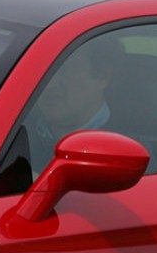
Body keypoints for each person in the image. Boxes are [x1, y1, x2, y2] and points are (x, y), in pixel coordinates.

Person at [24, 37, 115, 168]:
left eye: (64, 71)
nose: (49, 84)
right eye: (44, 71)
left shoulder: (130, 148)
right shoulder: (10, 130)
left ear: (102, 77)